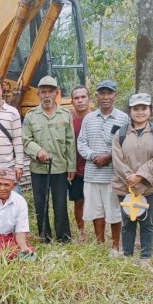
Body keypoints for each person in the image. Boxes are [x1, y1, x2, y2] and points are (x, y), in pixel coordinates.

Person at [111, 93, 153, 268]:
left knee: (147, 221)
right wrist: (130, 176)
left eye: (143, 108)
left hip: (150, 186)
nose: (140, 112)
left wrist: (141, 176)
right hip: (125, 185)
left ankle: (145, 258)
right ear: (130, 111)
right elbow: (117, 158)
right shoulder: (120, 133)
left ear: (150, 110)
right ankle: (128, 257)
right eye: (135, 109)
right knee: (128, 221)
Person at [22, 75, 76, 243]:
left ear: (56, 93)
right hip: (38, 169)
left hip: (60, 168)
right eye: (43, 92)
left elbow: (70, 142)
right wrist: (38, 151)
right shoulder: (31, 116)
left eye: (50, 92)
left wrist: (71, 167)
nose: (46, 95)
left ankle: (64, 238)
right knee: (40, 204)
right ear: (38, 94)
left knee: (60, 204)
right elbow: (25, 140)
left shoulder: (65, 115)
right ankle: (45, 237)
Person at [76, 80, 128, 252]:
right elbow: (81, 143)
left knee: (113, 211)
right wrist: (93, 156)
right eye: (102, 93)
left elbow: (126, 144)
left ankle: (115, 246)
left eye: (109, 93)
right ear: (96, 97)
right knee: (95, 210)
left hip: (113, 174)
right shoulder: (89, 118)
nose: (105, 97)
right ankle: (100, 245)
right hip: (92, 173)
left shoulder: (123, 118)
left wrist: (109, 156)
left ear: (115, 95)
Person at [69, 85, 91, 238]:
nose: (80, 100)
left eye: (83, 97)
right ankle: (82, 232)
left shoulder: (96, 118)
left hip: (94, 168)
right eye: (77, 98)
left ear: (89, 99)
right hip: (75, 168)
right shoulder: (69, 120)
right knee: (79, 201)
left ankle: (100, 232)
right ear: (72, 101)